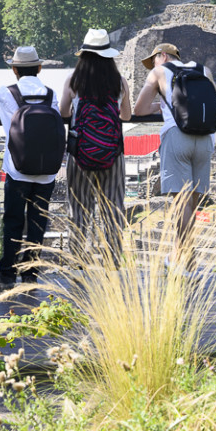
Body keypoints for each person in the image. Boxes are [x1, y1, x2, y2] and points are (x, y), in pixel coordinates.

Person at [133, 42, 216, 253]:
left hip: (177, 135)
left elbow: (140, 109)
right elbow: (214, 102)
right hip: (205, 137)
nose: (152, 65)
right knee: (193, 201)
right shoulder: (203, 70)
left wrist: (161, 105)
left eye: (153, 60)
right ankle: (180, 256)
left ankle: (188, 261)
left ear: (163, 56)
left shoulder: (159, 72)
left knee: (181, 202)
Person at [0, 46, 60, 290]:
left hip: (17, 169)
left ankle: (7, 275)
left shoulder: (6, 92)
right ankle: (31, 275)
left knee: (13, 221)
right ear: (39, 68)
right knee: (38, 221)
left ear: (14, 69)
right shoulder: (51, 94)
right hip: (47, 170)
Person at [59, 28, 132, 262]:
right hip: (113, 154)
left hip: (80, 155)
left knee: (79, 209)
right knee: (113, 208)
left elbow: (63, 112)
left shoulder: (74, 80)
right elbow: (126, 116)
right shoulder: (119, 82)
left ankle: (79, 261)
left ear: (84, 55)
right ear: (109, 56)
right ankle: (112, 261)